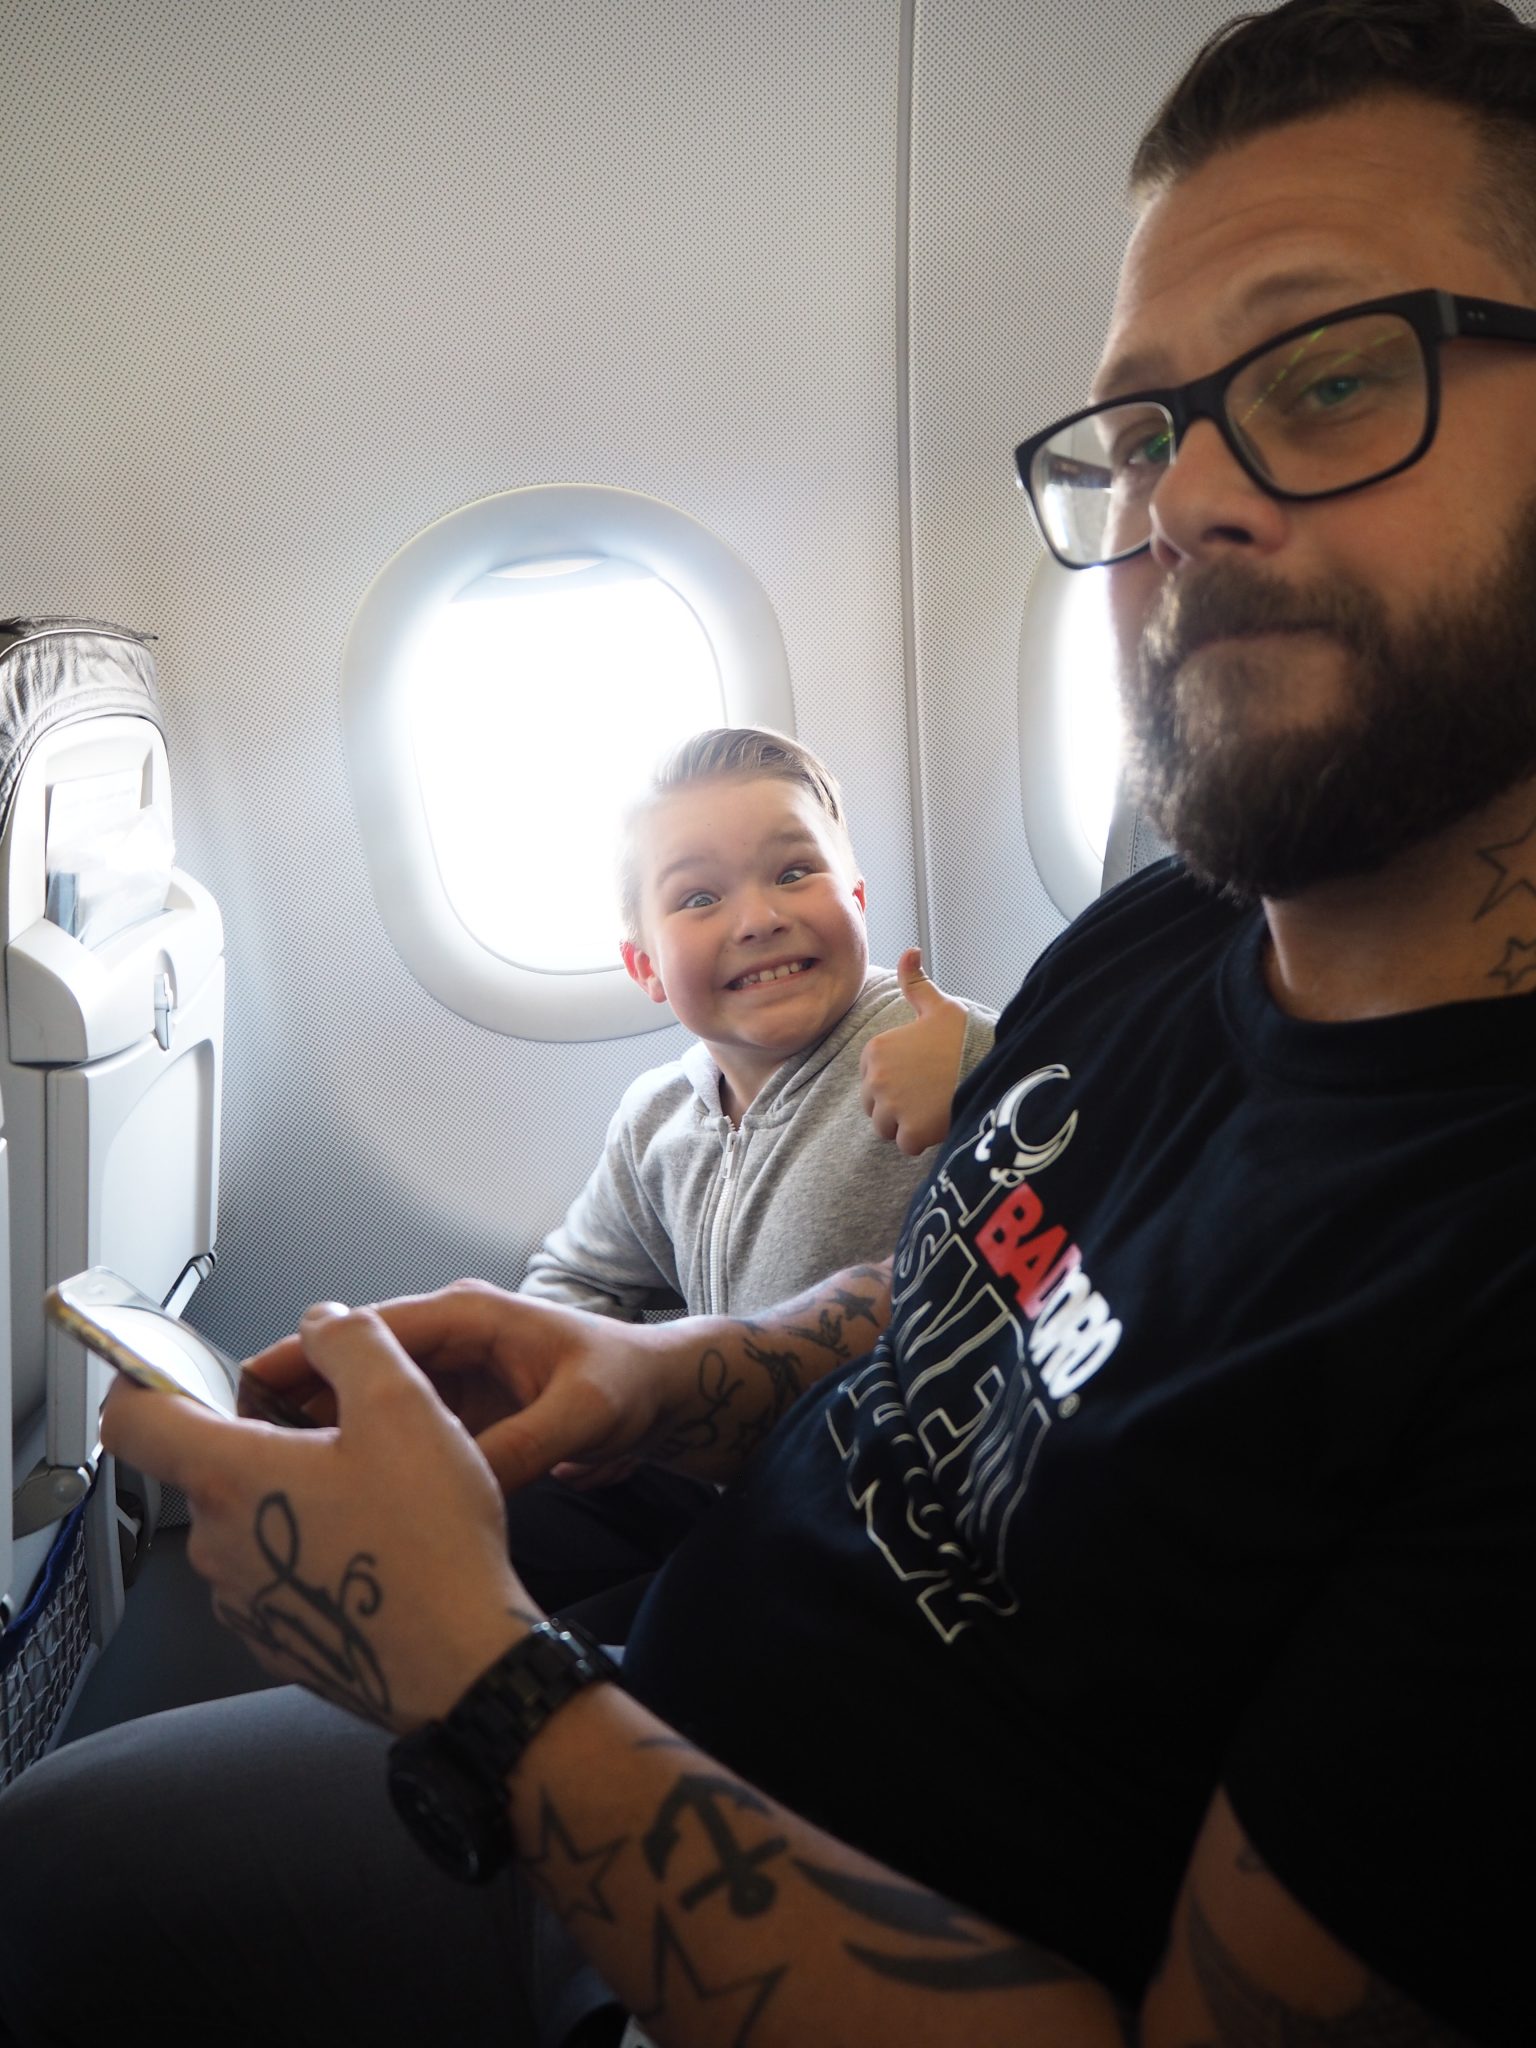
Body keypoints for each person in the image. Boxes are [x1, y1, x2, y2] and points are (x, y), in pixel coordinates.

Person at [2, 2, 1534, 2044]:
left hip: (739, 1898)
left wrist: (477, 1677)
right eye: (1137, 437)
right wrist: (648, 1374)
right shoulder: (1165, 935)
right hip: (651, 1703)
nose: (1181, 505)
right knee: (42, 1869)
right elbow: (966, 1303)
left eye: (1329, 379)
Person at [505, 726, 996, 1635]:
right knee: (489, 1496)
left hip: (868, 1504)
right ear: (646, 967)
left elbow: (1073, 1126)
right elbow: (575, 1278)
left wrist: (978, 1064)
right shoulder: (657, 1118)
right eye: (699, 897)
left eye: (794, 873)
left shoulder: (930, 1042)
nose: (759, 917)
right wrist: (570, 1392)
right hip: (724, 1478)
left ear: (857, 898)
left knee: (612, 1636)